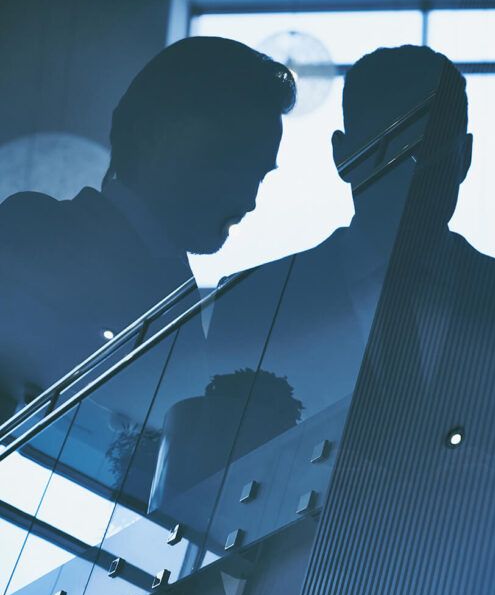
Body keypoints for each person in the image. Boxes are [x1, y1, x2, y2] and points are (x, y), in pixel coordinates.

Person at [209, 45, 495, 595]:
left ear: (465, 156)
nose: (416, 168)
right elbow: (212, 506)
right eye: (394, 147)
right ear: (342, 157)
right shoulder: (254, 304)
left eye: (431, 147)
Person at [0, 37, 295, 420]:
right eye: (236, 164)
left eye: (259, 175)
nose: (250, 198)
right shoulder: (36, 231)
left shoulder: (180, 294)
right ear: (160, 137)